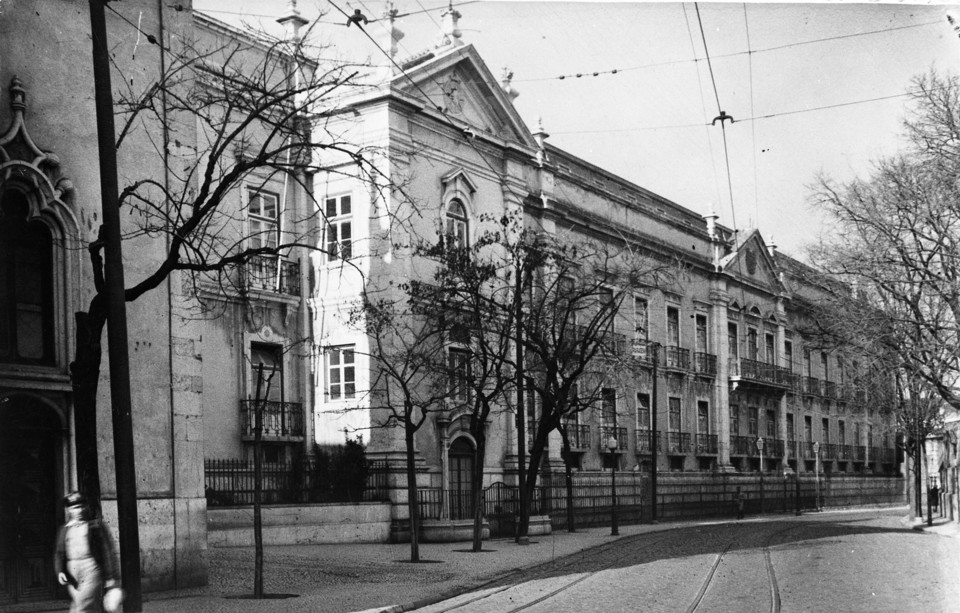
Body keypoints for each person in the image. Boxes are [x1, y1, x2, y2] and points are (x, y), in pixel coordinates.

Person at [54, 492, 122, 613]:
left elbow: (107, 551)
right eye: (75, 508)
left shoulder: (94, 526)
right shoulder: (64, 529)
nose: (79, 511)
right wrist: (60, 571)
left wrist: (111, 577)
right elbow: (59, 553)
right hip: (73, 575)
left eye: (81, 506)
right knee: (91, 607)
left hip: (91, 569)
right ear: (69, 509)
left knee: (81, 607)